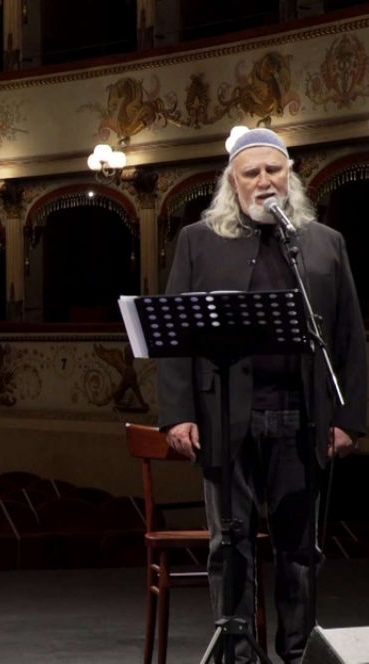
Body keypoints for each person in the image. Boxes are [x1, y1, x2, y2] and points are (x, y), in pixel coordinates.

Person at [157, 127, 367, 663]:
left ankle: (298, 653)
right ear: (233, 181)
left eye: (273, 170)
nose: (263, 181)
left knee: (300, 549)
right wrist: (178, 414)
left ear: (289, 174)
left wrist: (348, 419)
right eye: (251, 173)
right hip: (225, 415)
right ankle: (240, 655)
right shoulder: (198, 241)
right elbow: (175, 340)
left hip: (301, 416)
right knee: (230, 544)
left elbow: (349, 338)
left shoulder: (324, 243)